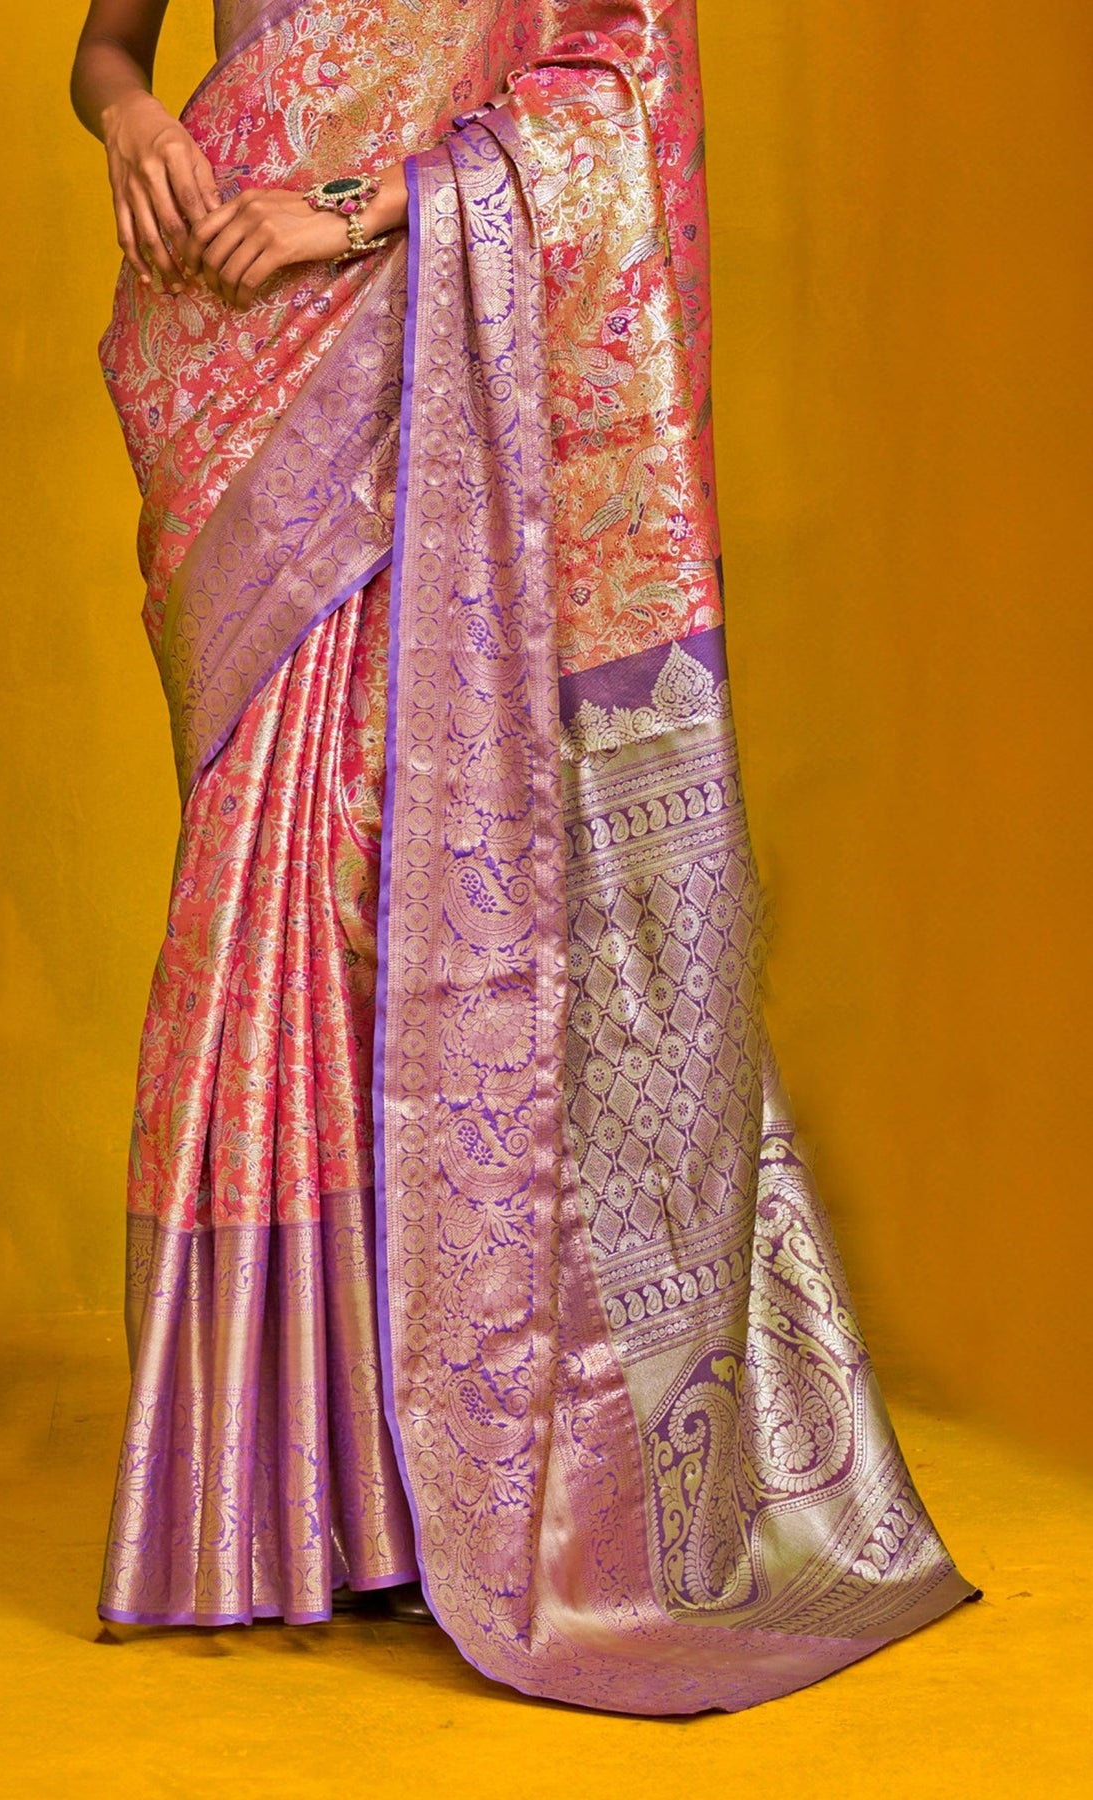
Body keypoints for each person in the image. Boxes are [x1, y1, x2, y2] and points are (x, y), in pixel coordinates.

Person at [71, 0, 974, 1714]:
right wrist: (132, 121)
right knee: (273, 916)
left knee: (415, 885)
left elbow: (605, 91)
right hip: (236, 358)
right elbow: (107, 48)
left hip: (409, 348)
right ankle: (304, 1496)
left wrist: (349, 211)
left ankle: (487, 1471)